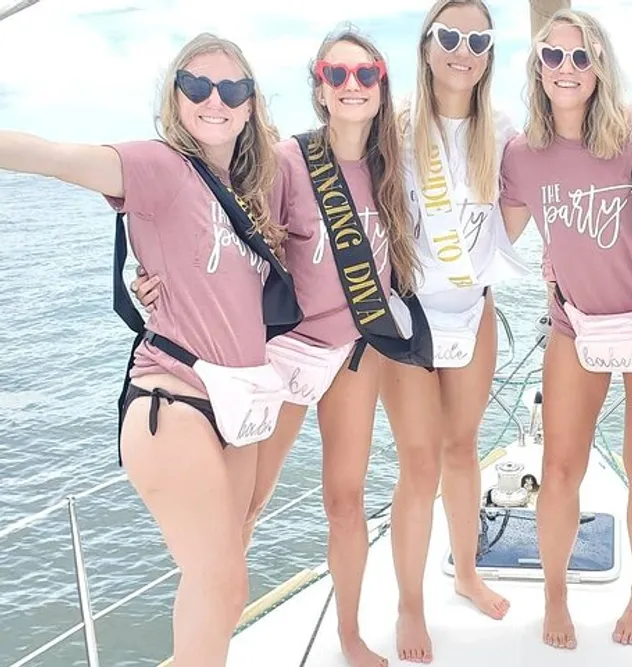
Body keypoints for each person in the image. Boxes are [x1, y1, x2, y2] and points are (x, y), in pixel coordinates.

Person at [132, 28, 432, 667]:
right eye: (337, 73)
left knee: (345, 501)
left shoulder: (391, 166)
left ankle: (350, 637)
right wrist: (153, 279)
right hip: (288, 354)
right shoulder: (287, 161)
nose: (352, 85)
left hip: (354, 354)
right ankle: (204, 649)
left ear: (381, 86)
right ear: (319, 87)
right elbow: (224, 235)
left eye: (365, 74)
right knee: (245, 511)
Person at [0, 33, 297, 666]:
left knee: (219, 579)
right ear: (175, 96)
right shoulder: (158, 167)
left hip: (239, 407)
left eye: (232, 89)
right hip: (175, 401)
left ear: (250, 106)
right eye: (197, 86)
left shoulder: (252, 189)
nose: (214, 100)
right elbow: (54, 156)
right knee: (223, 580)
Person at [501, 8, 632, 650]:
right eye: (553, 57)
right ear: (538, 68)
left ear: (600, 64)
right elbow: (486, 235)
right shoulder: (521, 155)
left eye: (581, 56)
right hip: (573, 326)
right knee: (558, 468)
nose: (567, 68)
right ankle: (554, 596)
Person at [382, 0, 529, 663]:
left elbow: (538, 199)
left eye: (477, 37)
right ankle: (411, 604)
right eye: (450, 35)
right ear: (428, 43)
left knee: (463, 448)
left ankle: (465, 571)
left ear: (490, 50)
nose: (462, 48)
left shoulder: (503, 130)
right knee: (418, 464)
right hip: (408, 314)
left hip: (473, 310)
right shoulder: (395, 122)